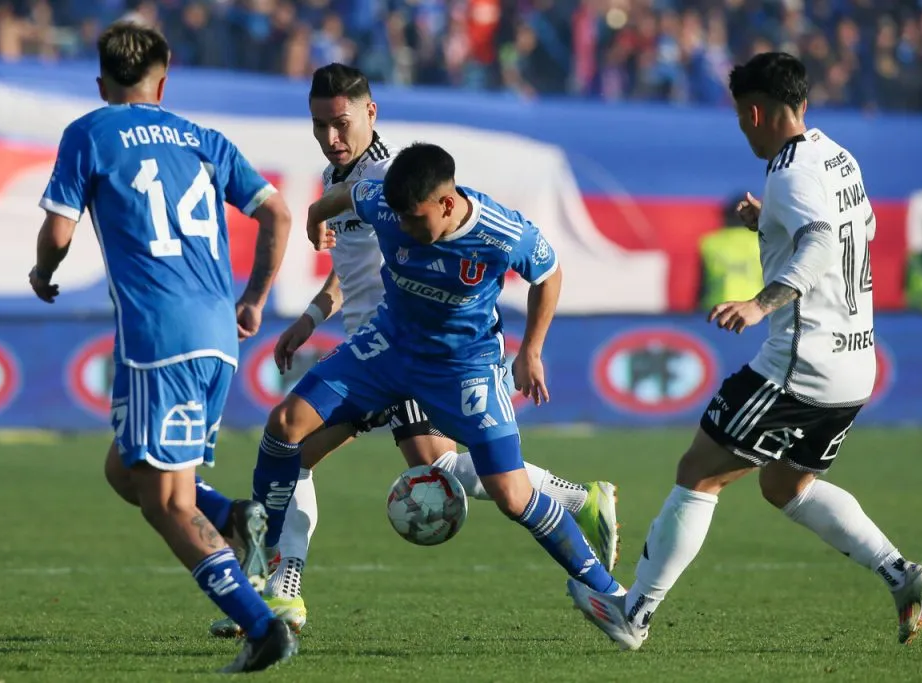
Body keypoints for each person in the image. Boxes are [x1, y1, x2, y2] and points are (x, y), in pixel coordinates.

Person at [201, 63, 619, 638]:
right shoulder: (346, 179)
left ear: (370, 113)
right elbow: (362, 268)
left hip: (413, 346)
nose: (330, 136)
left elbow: (414, 255)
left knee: (311, 453)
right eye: (319, 124)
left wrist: (530, 348)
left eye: (340, 122)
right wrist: (312, 314)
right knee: (435, 464)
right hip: (377, 343)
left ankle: (281, 591)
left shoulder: (393, 181)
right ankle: (578, 500)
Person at [572, 52, 922, 651]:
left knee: (698, 473)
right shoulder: (836, 156)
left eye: (742, 118)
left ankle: (633, 612)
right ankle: (902, 574)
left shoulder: (790, 169)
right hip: (856, 363)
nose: (743, 128)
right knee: (784, 487)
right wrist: (769, 222)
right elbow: (855, 230)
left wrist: (759, 304)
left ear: (757, 111)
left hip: (802, 363)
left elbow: (820, 239)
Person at [28, 21, 298, 673]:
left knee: (165, 501)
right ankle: (235, 515)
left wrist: (43, 273)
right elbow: (278, 212)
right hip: (215, 336)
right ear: (163, 79)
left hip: (158, 337)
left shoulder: (89, 132)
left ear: (101, 82)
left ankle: (262, 628)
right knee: (126, 468)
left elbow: (59, 231)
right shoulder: (203, 139)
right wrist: (256, 296)